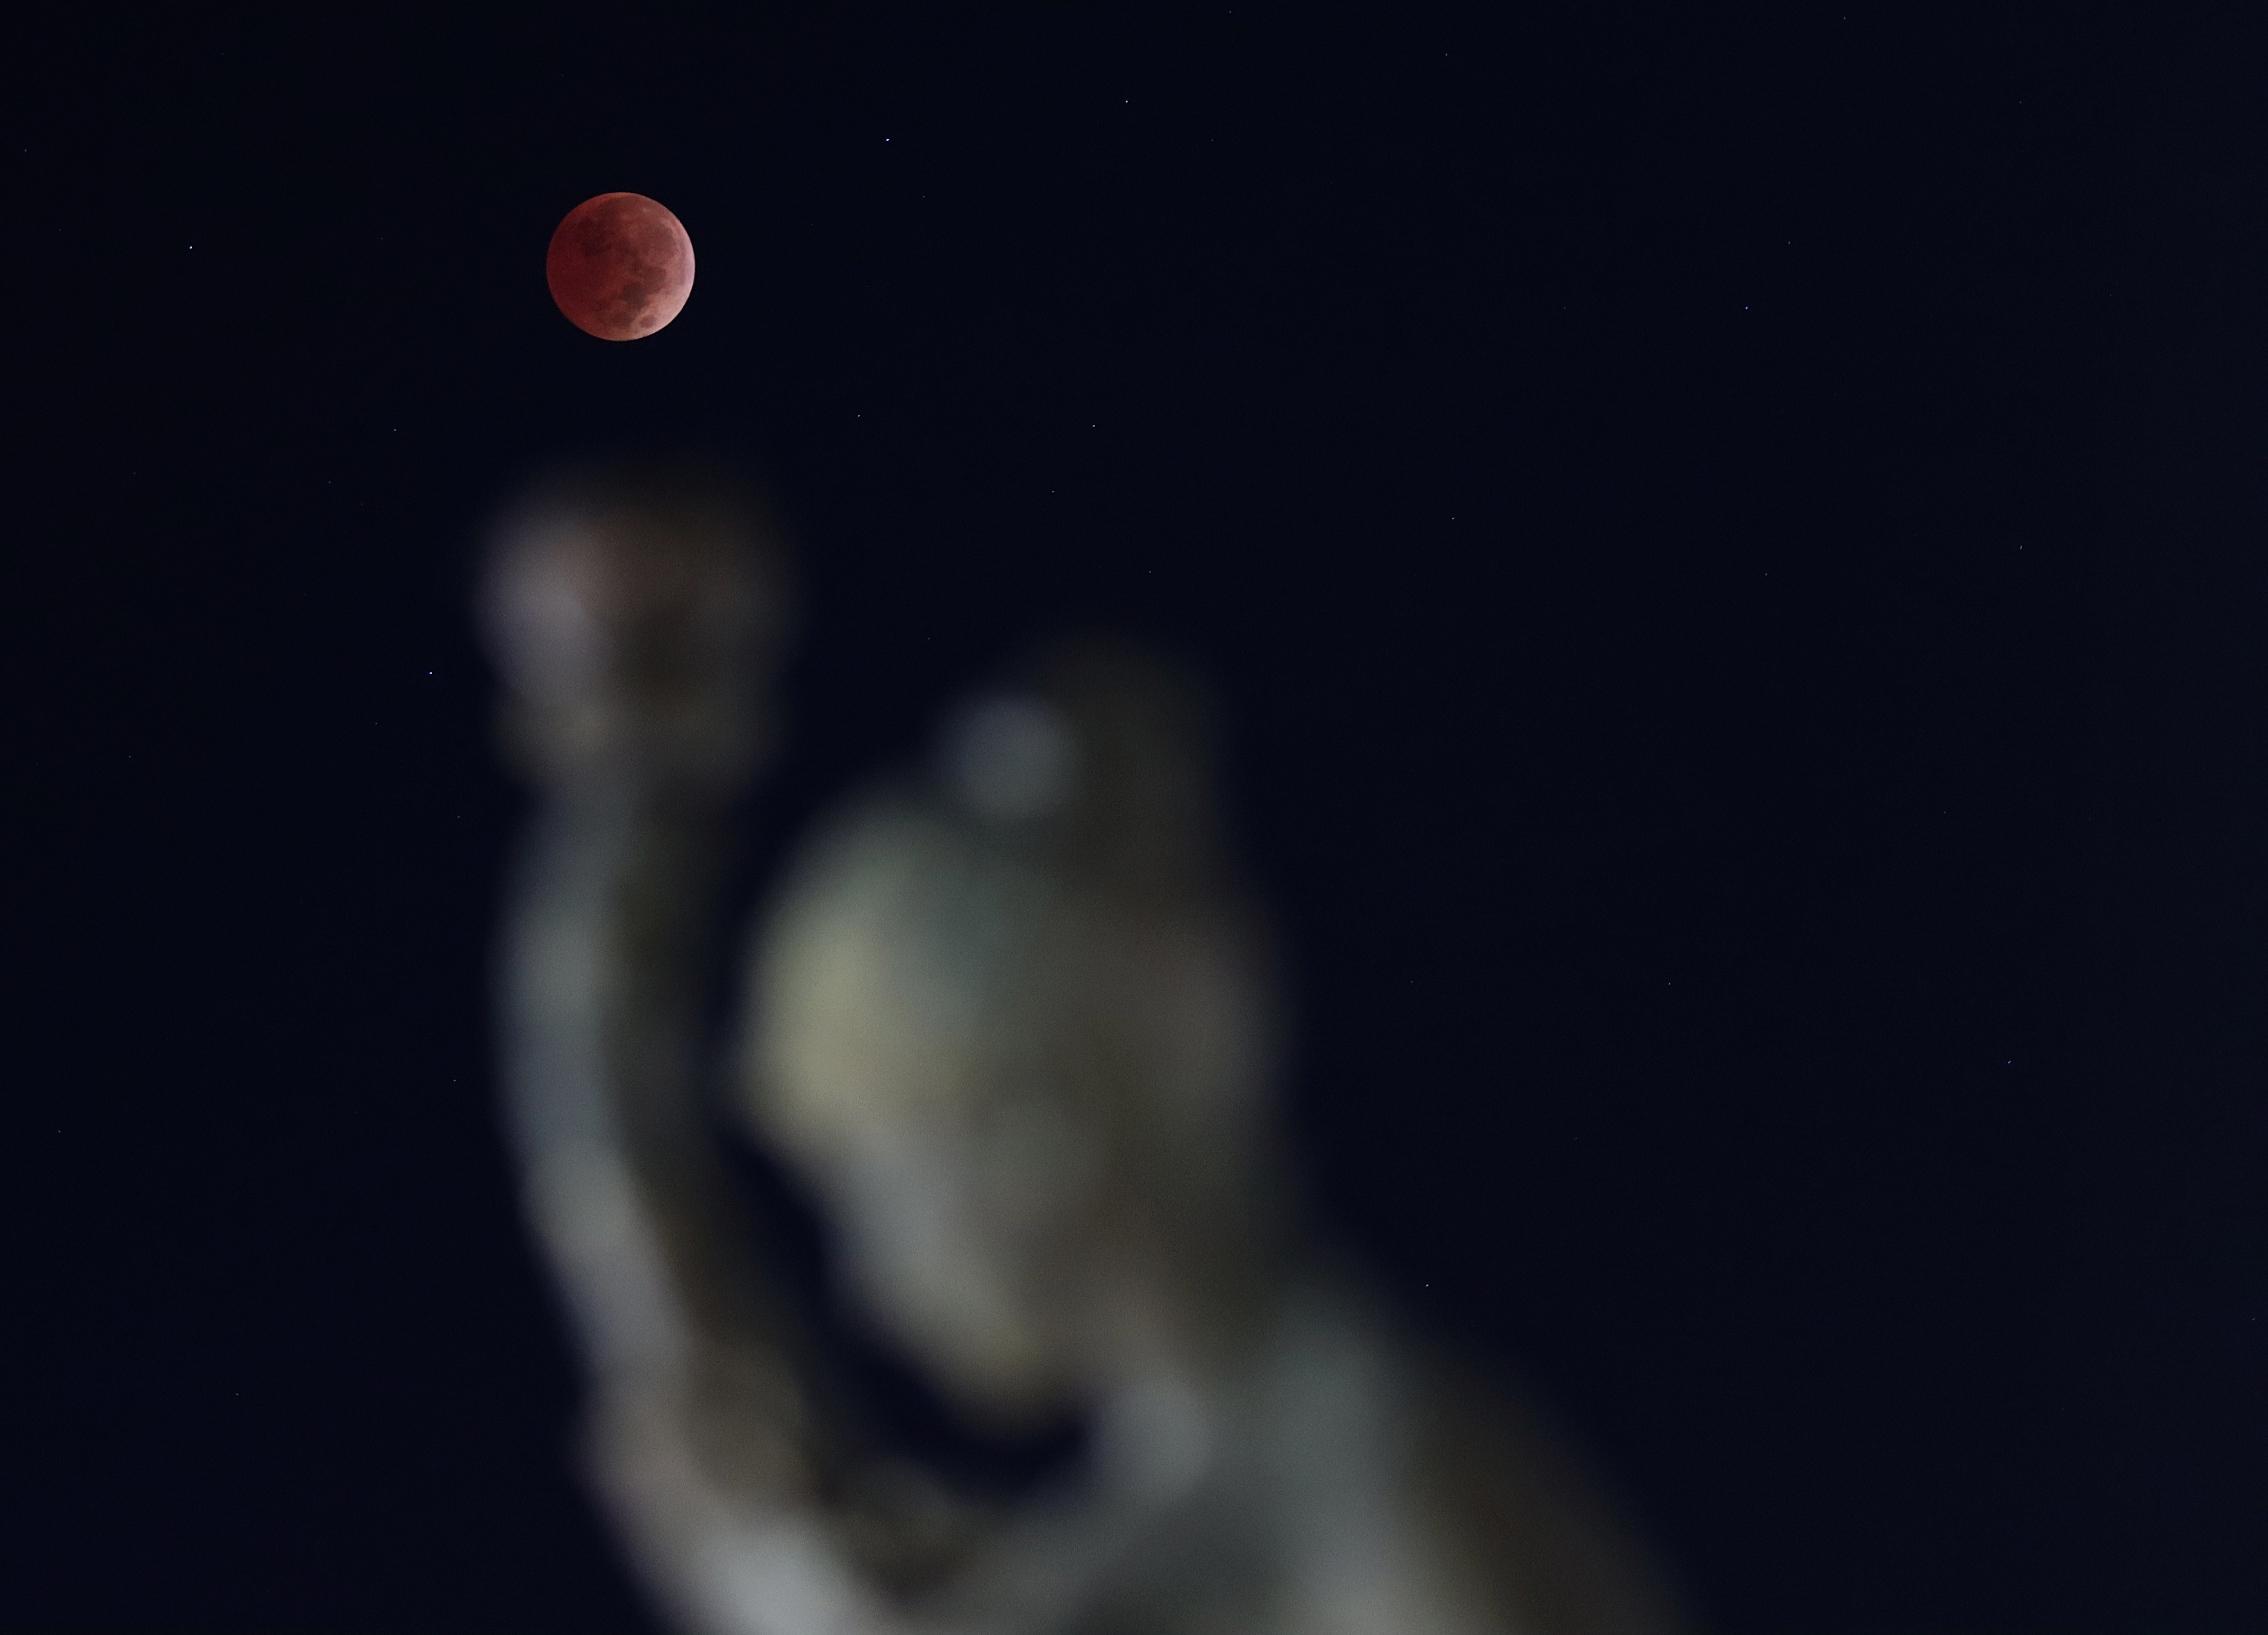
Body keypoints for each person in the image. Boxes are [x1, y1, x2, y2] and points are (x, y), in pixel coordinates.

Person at [483, 472, 1682, 1635]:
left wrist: (749, 1569)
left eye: (877, 1194)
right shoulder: (1276, 1471)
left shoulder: (1342, 1481)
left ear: (1028, 1136)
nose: (866, 1290)